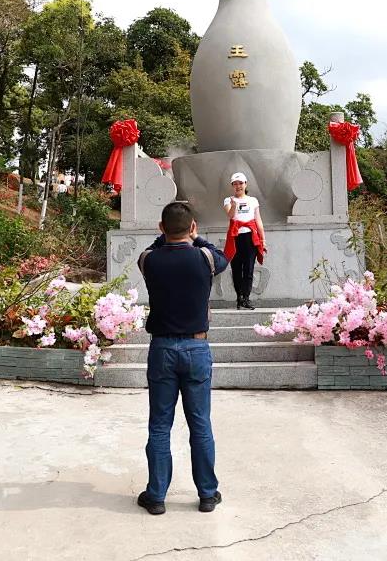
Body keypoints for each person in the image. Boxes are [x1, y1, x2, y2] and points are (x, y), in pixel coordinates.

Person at [136, 201, 229, 516]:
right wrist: (195, 237)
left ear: (161, 229)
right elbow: (222, 258)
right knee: (200, 424)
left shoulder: (148, 260)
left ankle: (157, 495)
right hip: (196, 348)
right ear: (192, 228)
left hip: (161, 349)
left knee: (160, 425)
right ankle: (206, 494)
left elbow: (154, 246)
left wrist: (168, 235)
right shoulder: (204, 257)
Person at [223, 172, 265, 309]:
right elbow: (230, 215)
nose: (238, 186)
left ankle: (246, 298)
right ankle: (239, 297)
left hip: (250, 236)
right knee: (236, 268)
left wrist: (263, 240)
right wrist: (234, 205)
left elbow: (258, 220)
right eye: (235, 184)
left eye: (240, 183)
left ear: (245, 184)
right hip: (235, 237)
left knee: (249, 268)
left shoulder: (253, 200)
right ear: (232, 186)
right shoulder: (228, 200)